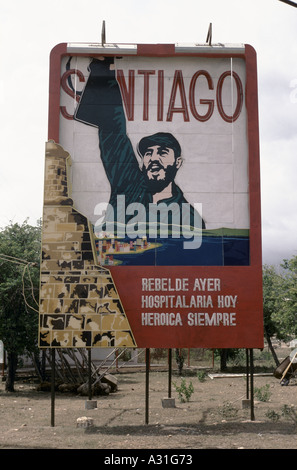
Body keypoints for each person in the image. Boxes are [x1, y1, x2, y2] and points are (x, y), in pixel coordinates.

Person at [74, 57, 205, 241]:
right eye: (148, 153)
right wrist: (104, 71)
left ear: (178, 162)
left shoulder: (189, 218)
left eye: (162, 152)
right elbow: (113, 130)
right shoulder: (127, 184)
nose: (153, 158)